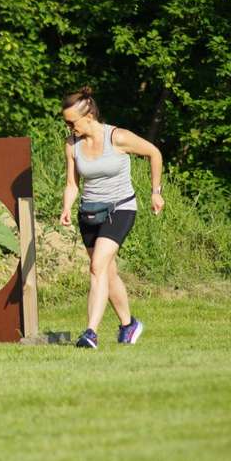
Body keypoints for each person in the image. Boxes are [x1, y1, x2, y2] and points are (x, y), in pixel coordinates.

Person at [59, 86, 164, 349]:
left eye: (71, 122)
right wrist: (66, 208)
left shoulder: (117, 137)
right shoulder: (72, 145)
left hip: (120, 208)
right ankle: (129, 324)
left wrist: (155, 192)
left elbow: (154, 153)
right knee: (107, 271)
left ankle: (90, 333)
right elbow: (72, 184)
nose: (69, 127)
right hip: (89, 213)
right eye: (66, 122)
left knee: (96, 267)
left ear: (89, 117)